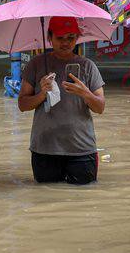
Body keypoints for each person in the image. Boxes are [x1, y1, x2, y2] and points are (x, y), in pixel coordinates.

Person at [18, 16, 106, 184]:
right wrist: (42, 94)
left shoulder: (88, 66)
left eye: (71, 38)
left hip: (81, 149)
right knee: (46, 201)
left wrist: (85, 93)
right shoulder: (36, 65)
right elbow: (22, 104)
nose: (65, 43)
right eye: (60, 38)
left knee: (83, 199)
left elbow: (100, 107)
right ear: (49, 38)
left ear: (77, 38)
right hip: (44, 148)